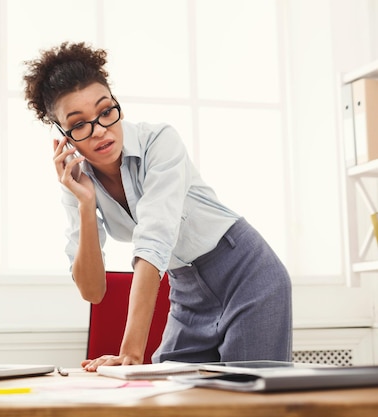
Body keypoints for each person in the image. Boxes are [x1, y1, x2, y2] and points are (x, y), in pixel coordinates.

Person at [22, 42, 292, 372]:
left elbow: (154, 240)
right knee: (167, 397)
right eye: (79, 124)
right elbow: (92, 291)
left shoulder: (160, 142)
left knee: (250, 399)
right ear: (63, 135)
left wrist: (131, 353)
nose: (101, 130)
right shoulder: (77, 182)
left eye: (106, 111)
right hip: (187, 292)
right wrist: (85, 203)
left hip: (245, 273)